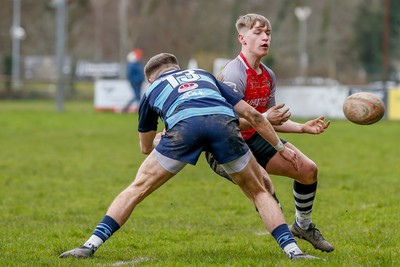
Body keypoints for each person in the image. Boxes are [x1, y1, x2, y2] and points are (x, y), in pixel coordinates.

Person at [59, 53, 320, 261]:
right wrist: (280, 147)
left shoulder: (152, 91)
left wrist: (164, 137)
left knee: (136, 189)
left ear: (151, 78)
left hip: (184, 128)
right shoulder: (204, 75)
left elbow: (145, 146)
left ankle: (89, 245)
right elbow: (252, 116)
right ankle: (294, 252)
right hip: (223, 125)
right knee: (260, 191)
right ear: (178, 67)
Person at [205, 13, 334, 252]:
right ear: (242, 38)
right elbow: (226, 124)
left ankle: (303, 226)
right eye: (258, 32)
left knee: (308, 170)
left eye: (268, 33)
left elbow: (267, 121)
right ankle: (292, 250)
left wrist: (302, 128)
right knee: (265, 188)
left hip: (254, 137)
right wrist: (265, 121)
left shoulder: (267, 75)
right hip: (224, 145)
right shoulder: (234, 75)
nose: (265, 37)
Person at [121, 48, 145, 113]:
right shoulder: (132, 64)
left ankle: (137, 109)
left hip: (139, 82)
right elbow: (130, 75)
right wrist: (135, 81)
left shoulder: (138, 64)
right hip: (135, 83)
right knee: (137, 96)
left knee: (137, 96)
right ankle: (125, 108)